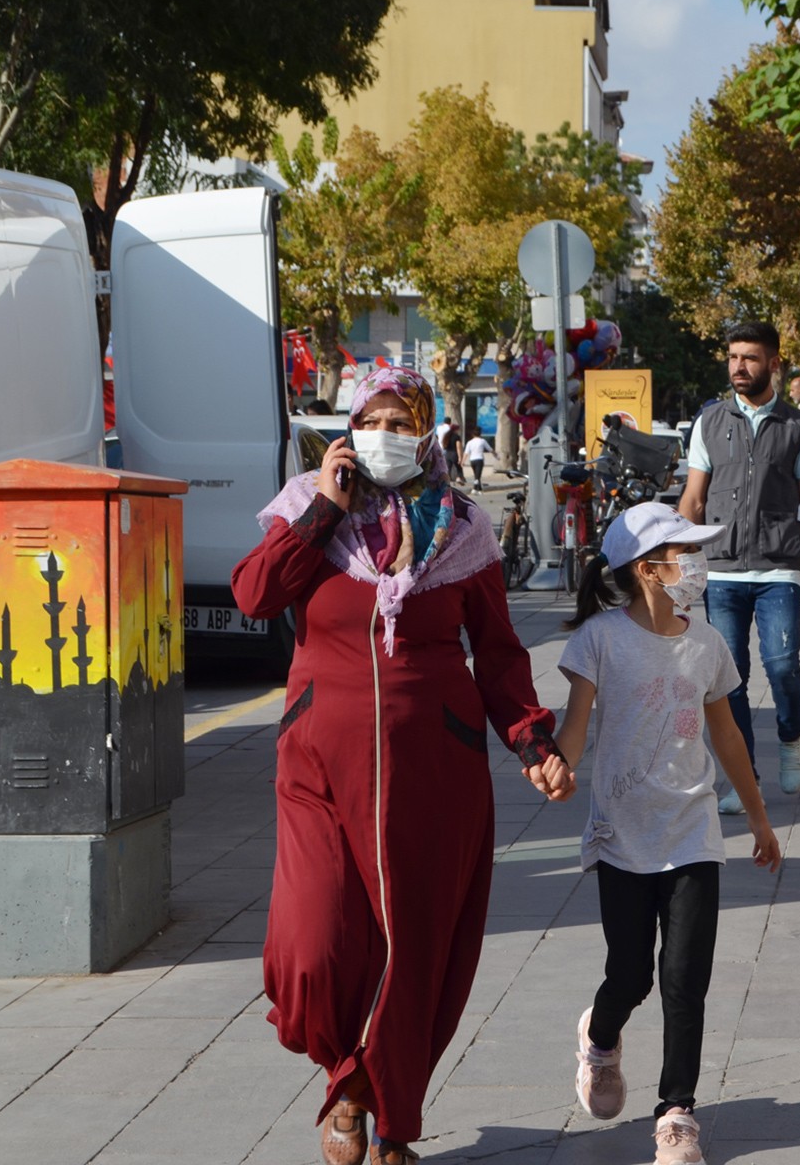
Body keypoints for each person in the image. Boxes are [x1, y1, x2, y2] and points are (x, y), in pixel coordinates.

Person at [232, 366, 559, 1165]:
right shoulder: (308, 508)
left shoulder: (466, 528)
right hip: (317, 760)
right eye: (371, 418)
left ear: (426, 429)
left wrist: (531, 740)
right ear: (348, 429)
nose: (385, 432)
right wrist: (323, 510)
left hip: (433, 766)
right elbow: (253, 595)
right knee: (311, 944)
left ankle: (379, 1115)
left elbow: (500, 652)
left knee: (414, 950)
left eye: (399, 418)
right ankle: (349, 1075)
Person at [548, 503, 783, 1165]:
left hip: (692, 832)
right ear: (649, 570)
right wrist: (554, 764)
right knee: (630, 974)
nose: (698, 567)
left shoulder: (705, 642)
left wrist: (759, 819)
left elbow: (728, 734)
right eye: (687, 554)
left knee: (684, 977)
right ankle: (600, 1036)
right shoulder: (599, 639)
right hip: (623, 836)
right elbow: (576, 727)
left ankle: (676, 1112)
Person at [680, 321, 800, 816]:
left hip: (780, 568)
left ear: (773, 364)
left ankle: (791, 739)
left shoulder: (798, 427)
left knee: (783, 665)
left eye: (749, 358)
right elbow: (694, 500)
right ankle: (743, 779)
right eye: (732, 357)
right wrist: (674, 565)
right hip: (721, 571)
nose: (738, 367)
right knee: (731, 677)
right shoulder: (708, 422)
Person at [437, 419, 465, 486]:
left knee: (448, 468)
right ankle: (458, 478)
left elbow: (443, 444)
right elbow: (458, 447)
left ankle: (447, 482)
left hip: (447, 454)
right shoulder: (456, 437)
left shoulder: (446, 436)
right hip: (454, 453)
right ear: (456, 430)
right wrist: (460, 457)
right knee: (458, 467)